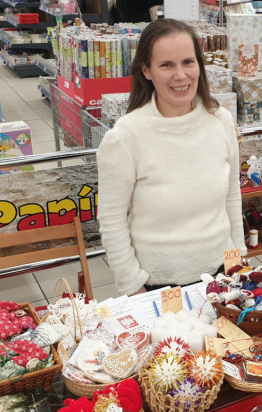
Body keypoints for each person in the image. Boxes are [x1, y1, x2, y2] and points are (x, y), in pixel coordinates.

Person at [97, 19, 246, 296]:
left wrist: (238, 256)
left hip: (223, 275)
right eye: (166, 65)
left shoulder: (221, 121)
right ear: (146, 70)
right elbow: (111, 220)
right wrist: (133, 285)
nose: (180, 75)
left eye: (188, 62)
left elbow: (232, 194)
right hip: (158, 284)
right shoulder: (125, 137)